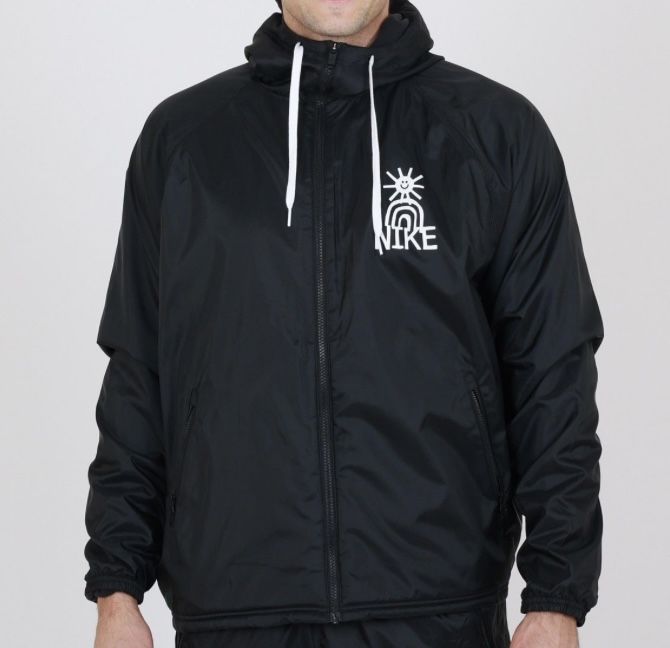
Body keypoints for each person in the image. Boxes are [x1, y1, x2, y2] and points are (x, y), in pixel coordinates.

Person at [84, 1, 605, 646]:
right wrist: (117, 588)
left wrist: (556, 597)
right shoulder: (184, 141)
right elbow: (138, 374)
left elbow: (553, 373)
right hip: (235, 609)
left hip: (440, 610)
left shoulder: (495, 133)